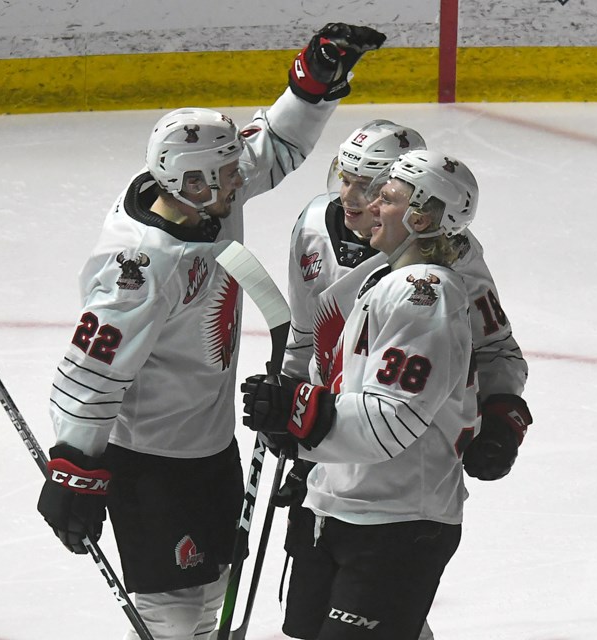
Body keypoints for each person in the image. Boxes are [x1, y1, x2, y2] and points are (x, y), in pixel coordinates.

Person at [33, 23, 387, 640]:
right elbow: (89, 374)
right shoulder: (139, 270)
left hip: (209, 443)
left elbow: (271, 144)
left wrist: (316, 78)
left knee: (211, 603)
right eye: (224, 177)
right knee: (171, 615)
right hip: (151, 463)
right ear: (187, 183)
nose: (239, 180)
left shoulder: (202, 190)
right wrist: (73, 470)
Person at [241, 149, 533, 640]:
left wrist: (298, 415)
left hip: (397, 520)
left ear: (421, 218)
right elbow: (341, 386)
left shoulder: (427, 295)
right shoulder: (384, 277)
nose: (371, 204)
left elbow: (389, 421)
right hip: (337, 503)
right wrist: (305, 449)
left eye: (388, 198)